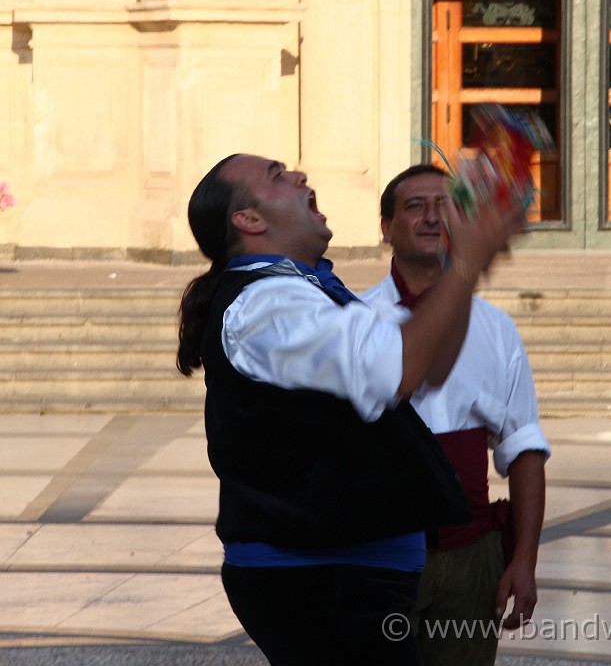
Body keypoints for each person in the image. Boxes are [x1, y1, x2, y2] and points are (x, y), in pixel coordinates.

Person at [177, 153, 524, 666]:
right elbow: (400, 368)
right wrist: (469, 258)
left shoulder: (302, 291)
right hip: (322, 579)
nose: (301, 175)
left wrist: (462, 266)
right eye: (278, 176)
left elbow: (425, 370)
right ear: (248, 221)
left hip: (346, 574)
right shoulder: (265, 305)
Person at [363, 164, 550, 666]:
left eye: (446, 205)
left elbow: (525, 446)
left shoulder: (496, 329)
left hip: (472, 562)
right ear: (385, 227)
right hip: (377, 560)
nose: (432, 217)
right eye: (414, 205)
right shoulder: (354, 322)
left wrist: (524, 560)